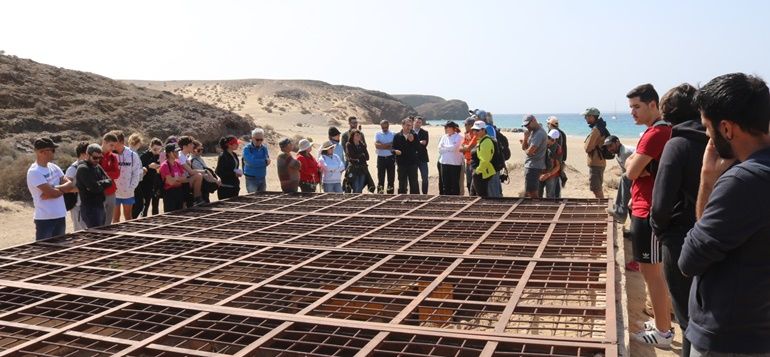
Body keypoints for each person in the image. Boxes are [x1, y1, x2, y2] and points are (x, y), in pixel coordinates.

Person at [677, 73, 770, 356]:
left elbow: (689, 260)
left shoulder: (743, 182)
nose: (707, 135)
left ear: (727, 129)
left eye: (707, 127)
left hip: (730, 337)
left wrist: (708, 180)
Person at [645, 83, 705, 357]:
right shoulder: (716, 141)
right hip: (715, 237)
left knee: (686, 317)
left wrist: (662, 232)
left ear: (667, 113)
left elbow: (660, 205)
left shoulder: (678, 143)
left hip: (680, 238)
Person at [624, 84, 674, 347]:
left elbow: (630, 171)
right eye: (630, 107)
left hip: (649, 209)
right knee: (651, 271)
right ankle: (662, 321)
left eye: (636, 107)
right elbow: (633, 168)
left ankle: (664, 333)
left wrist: (635, 165)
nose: (632, 112)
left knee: (652, 273)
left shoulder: (656, 133)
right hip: (645, 206)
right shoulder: (658, 131)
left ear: (653, 104)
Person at [27, 138, 72, 240]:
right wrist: (54, 191)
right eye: (52, 150)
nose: (53, 153)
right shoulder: (34, 171)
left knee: (59, 250)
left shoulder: (54, 167)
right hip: (45, 219)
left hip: (60, 215)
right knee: (44, 251)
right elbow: (52, 193)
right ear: (41, 152)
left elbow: (69, 185)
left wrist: (55, 189)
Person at [75, 144, 112, 228]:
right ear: (87, 155)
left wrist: (98, 184)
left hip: (100, 205)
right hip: (90, 208)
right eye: (95, 158)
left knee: (101, 233)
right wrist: (100, 184)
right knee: (95, 235)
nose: (97, 160)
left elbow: (110, 181)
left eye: (100, 158)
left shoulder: (97, 166)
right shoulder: (83, 168)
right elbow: (95, 188)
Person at [111, 130, 143, 222]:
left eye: (115, 143)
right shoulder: (111, 154)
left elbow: (136, 173)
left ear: (121, 142)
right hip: (114, 192)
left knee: (128, 217)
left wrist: (131, 188)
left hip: (128, 192)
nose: (113, 145)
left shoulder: (132, 155)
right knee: (115, 218)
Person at [603, 136, 635, 224]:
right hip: (633, 176)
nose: (609, 149)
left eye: (611, 145)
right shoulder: (618, 154)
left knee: (624, 178)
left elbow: (634, 171)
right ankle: (619, 210)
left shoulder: (626, 152)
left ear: (617, 142)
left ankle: (620, 212)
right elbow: (625, 171)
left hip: (641, 176)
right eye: (607, 147)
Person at [583, 107, 609, 199]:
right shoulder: (600, 127)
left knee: (596, 188)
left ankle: (602, 206)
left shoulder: (596, 129)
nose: (585, 118)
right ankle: (601, 205)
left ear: (592, 117)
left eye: (586, 116)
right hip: (600, 161)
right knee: (597, 187)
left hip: (596, 162)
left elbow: (588, 148)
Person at [64, 141, 90, 231]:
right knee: (80, 233)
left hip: (88, 205)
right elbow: (66, 188)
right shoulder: (72, 169)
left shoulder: (88, 166)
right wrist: (84, 189)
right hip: (78, 206)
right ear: (83, 154)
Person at [520, 115, 547, 198]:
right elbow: (525, 148)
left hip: (533, 166)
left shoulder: (539, 133)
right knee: (530, 191)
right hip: (532, 165)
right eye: (525, 125)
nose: (527, 127)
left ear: (534, 120)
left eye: (528, 124)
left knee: (531, 193)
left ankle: (535, 208)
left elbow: (529, 151)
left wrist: (527, 150)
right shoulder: (532, 132)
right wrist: (525, 138)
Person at [392, 118, 420, 194]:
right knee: (402, 184)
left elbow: (419, 148)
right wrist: (395, 151)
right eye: (407, 125)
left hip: (412, 163)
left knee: (414, 183)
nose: (409, 127)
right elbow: (392, 148)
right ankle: (401, 200)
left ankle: (415, 200)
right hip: (401, 164)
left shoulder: (414, 135)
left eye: (410, 126)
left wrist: (413, 141)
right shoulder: (397, 136)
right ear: (402, 125)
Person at [159, 144, 189, 213]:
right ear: (169, 153)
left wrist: (175, 178)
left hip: (179, 192)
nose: (177, 153)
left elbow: (184, 178)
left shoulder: (177, 163)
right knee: (171, 215)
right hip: (169, 194)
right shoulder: (165, 165)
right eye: (175, 151)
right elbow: (170, 182)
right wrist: (178, 179)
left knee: (180, 213)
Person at [176, 136, 205, 206]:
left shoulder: (185, 155)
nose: (193, 146)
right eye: (191, 144)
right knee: (198, 176)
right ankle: (197, 199)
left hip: (187, 179)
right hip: (182, 181)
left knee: (200, 176)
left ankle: (198, 198)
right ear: (185, 146)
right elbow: (191, 171)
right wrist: (204, 171)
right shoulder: (180, 156)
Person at [437, 121, 463, 195]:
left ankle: (456, 201)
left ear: (453, 128)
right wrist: (449, 148)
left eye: (447, 127)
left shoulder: (459, 136)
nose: (445, 129)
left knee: (455, 184)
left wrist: (445, 148)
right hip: (444, 163)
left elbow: (455, 148)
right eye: (445, 127)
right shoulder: (444, 136)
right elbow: (439, 149)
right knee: (445, 184)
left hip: (455, 164)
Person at [470, 121, 495, 198]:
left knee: (481, 196)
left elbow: (485, 160)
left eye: (477, 130)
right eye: (474, 130)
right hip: (481, 172)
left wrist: (477, 171)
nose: (475, 132)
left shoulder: (486, 142)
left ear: (483, 130)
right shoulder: (482, 140)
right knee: (474, 194)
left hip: (482, 173)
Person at [138, 138, 162, 217]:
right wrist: (148, 166)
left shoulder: (161, 156)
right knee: (145, 205)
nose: (157, 151)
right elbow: (139, 169)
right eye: (154, 149)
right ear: (150, 147)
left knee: (156, 206)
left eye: (159, 149)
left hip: (156, 183)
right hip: (146, 184)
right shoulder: (144, 156)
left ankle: (155, 223)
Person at [100, 132, 120, 226]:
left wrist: (103, 173)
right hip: (98, 192)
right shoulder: (95, 155)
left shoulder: (113, 157)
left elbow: (117, 174)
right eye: (111, 145)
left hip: (111, 191)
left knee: (108, 222)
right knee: (98, 221)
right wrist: (108, 174)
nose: (113, 148)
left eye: (114, 146)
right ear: (104, 142)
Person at [242, 128, 270, 193]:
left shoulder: (264, 148)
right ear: (252, 138)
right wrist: (264, 162)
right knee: (253, 198)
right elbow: (251, 162)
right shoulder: (247, 149)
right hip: (251, 178)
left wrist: (263, 161)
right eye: (257, 140)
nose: (259, 141)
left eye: (261, 139)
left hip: (262, 177)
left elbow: (267, 160)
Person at [216, 135, 242, 200]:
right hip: (225, 187)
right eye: (235, 143)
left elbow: (234, 167)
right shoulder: (223, 156)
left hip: (234, 186)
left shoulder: (234, 154)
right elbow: (220, 172)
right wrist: (234, 173)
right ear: (229, 145)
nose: (237, 145)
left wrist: (238, 172)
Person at [539, 129, 563, 199]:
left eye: (550, 139)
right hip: (540, 174)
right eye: (548, 137)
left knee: (550, 197)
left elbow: (558, 166)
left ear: (554, 140)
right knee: (537, 195)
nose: (548, 140)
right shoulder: (543, 146)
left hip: (552, 175)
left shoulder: (558, 149)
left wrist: (548, 174)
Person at [374, 120, 396, 194]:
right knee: (381, 179)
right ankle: (380, 195)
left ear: (388, 126)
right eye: (383, 127)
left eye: (386, 127)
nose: (384, 128)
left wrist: (382, 145)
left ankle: (390, 195)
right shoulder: (378, 134)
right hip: (381, 158)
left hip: (391, 158)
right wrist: (388, 145)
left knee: (391, 179)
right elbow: (377, 146)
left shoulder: (393, 134)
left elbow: (394, 145)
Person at [127, 133, 146, 219]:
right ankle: (131, 220)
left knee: (136, 204)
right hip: (134, 182)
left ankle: (131, 219)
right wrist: (143, 170)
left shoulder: (129, 152)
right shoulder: (133, 153)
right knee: (138, 205)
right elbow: (134, 169)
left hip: (134, 181)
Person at [460, 117, 478, 195]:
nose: (464, 126)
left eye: (466, 124)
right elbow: (461, 148)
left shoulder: (475, 134)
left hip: (474, 162)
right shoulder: (467, 134)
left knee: (474, 184)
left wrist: (465, 147)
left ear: (471, 125)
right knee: (468, 183)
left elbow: (469, 147)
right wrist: (465, 147)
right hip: (467, 161)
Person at [412, 117, 430, 194]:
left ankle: (425, 194)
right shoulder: (409, 132)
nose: (418, 123)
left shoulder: (425, 132)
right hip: (412, 158)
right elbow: (408, 144)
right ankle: (416, 194)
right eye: (417, 122)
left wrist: (414, 142)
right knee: (414, 178)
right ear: (413, 122)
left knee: (425, 177)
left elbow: (424, 144)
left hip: (423, 158)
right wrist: (419, 142)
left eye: (420, 122)